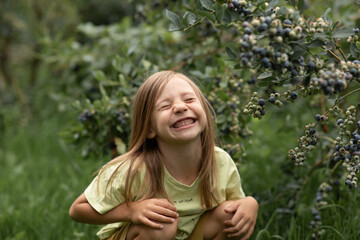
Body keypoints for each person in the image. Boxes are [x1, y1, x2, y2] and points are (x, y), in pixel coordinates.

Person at [69, 71, 258, 240]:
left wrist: (250, 204)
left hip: (193, 232)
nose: (180, 107)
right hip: (150, 233)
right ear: (150, 128)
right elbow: (77, 210)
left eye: (189, 100)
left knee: (229, 215)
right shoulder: (133, 169)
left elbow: (235, 205)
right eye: (165, 106)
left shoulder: (220, 161)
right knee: (162, 223)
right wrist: (131, 211)